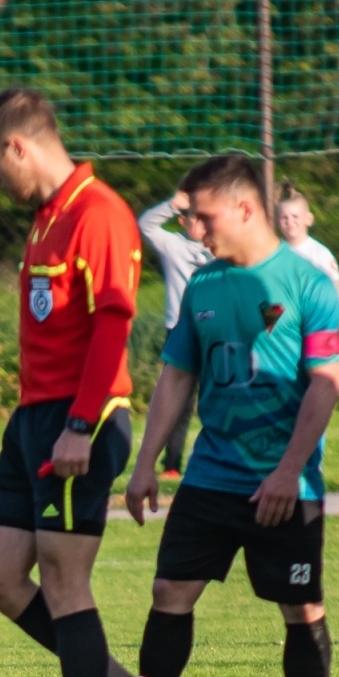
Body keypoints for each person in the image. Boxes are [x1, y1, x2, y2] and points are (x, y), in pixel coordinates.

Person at [0, 87, 169, 677]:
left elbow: (114, 323)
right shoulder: (47, 217)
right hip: (34, 419)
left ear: (20, 146)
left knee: (63, 581)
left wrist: (81, 425)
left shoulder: (100, 214)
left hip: (79, 421)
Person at [123, 154, 339, 677]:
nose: (195, 229)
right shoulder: (204, 283)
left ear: (245, 208)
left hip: (286, 485)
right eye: (190, 218)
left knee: (300, 608)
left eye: (204, 216)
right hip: (210, 476)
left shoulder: (309, 285)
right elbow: (176, 376)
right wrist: (145, 465)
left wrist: (287, 470)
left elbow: (327, 382)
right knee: (170, 591)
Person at [138, 191, 211, 479]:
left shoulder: (219, 248)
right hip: (179, 329)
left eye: (206, 220)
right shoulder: (173, 245)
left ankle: (212, 457)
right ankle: (171, 464)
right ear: (183, 221)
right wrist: (171, 204)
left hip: (212, 327)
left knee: (215, 394)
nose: (202, 227)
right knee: (179, 399)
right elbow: (145, 225)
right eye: (195, 220)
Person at [275, 182, 339, 296]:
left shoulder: (321, 254)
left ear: (308, 219)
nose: (289, 222)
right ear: (277, 221)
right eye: (284, 217)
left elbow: (336, 294)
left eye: (295, 216)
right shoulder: (274, 253)